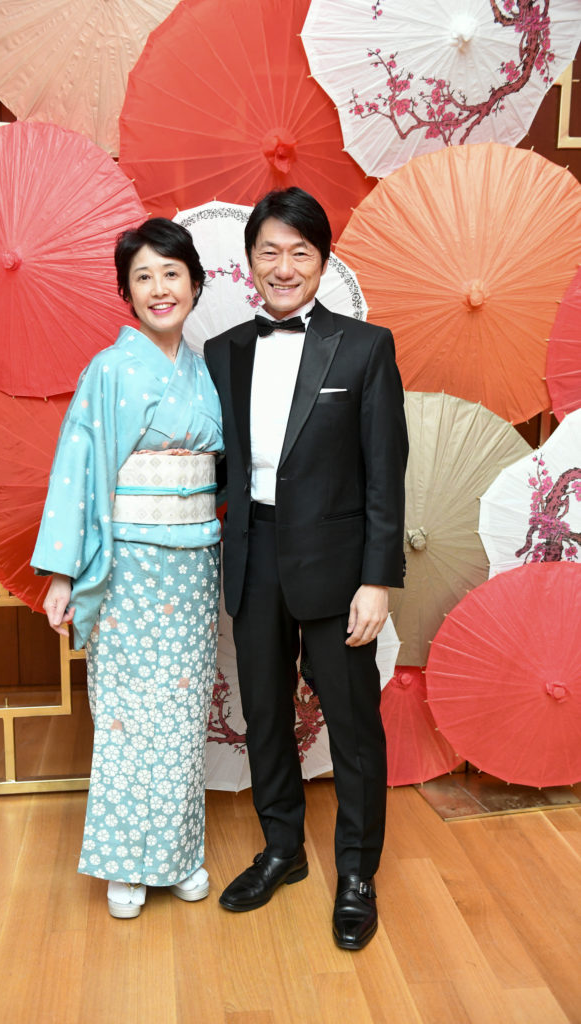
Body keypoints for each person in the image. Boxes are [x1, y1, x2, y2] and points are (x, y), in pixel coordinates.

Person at [204, 187, 408, 950]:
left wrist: (377, 579)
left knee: (353, 728)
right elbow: (218, 459)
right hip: (252, 555)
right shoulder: (221, 351)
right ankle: (282, 849)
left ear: (322, 262)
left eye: (301, 252)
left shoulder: (363, 347)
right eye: (270, 251)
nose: (283, 267)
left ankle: (356, 873)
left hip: (338, 566)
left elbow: (384, 471)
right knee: (264, 714)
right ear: (249, 260)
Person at [31, 219, 223, 920]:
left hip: (196, 563)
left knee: (178, 714)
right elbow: (78, 468)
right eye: (142, 277)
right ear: (126, 293)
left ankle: (175, 857)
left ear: (195, 284)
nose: (158, 288)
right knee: (125, 715)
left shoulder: (203, 370)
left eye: (171, 273)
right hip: (132, 565)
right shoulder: (110, 369)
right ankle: (125, 862)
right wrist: (61, 573)